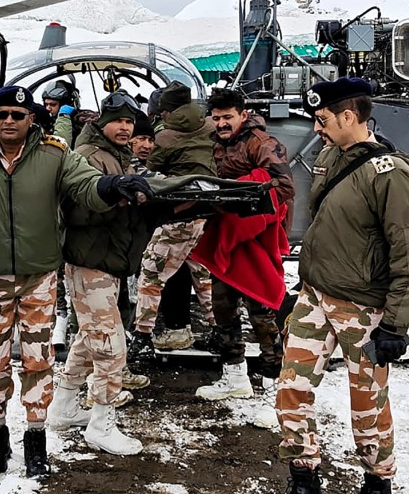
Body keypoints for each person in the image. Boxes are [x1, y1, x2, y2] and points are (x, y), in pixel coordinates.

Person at [0, 85, 151, 479]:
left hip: (40, 277)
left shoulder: (53, 153)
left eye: (18, 115)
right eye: (1, 115)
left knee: (38, 361)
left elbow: (83, 182)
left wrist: (110, 186)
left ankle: (36, 440)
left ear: (31, 118)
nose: (9, 122)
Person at [254, 77, 409, 494]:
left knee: (367, 403)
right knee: (291, 389)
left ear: (350, 117)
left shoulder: (389, 174)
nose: (317, 129)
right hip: (316, 297)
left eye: (323, 119)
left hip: (364, 309)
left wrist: (396, 325)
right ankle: (304, 491)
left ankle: (377, 492)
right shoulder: (332, 156)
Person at [51, 92, 161, 455]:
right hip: (89, 261)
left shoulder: (118, 157)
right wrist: (117, 197)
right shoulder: (87, 156)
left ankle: (64, 406)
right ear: (101, 122)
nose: (126, 128)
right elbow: (74, 208)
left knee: (89, 337)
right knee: (112, 346)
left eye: (131, 122)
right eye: (119, 120)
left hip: (107, 261)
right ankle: (101, 422)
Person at [196, 87, 294, 400]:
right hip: (226, 230)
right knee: (222, 305)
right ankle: (234, 373)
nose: (222, 124)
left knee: (261, 307)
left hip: (255, 235)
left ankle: (272, 379)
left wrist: (233, 189)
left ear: (242, 114)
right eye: (216, 119)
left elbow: (284, 186)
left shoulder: (263, 143)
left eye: (227, 117)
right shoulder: (214, 144)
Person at [129, 81, 217, 358]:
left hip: (178, 214)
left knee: (152, 274)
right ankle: (219, 329)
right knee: (204, 276)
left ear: (164, 112)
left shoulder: (165, 137)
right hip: (208, 212)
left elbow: (152, 173)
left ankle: (142, 335)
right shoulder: (211, 127)